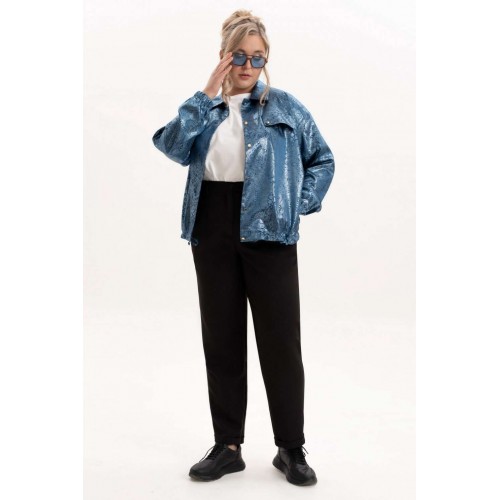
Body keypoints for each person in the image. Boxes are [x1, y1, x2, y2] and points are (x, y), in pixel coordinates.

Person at [152, 9, 335, 486]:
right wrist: (205, 93)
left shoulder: (285, 107)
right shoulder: (205, 110)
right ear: (223, 57)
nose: (248, 65)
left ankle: (290, 448)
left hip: (270, 231)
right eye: (239, 56)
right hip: (212, 226)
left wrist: (296, 204)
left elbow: (322, 159)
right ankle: (227, 446)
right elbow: (171, 146)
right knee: (222, 339)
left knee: (280, 342)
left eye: (257, 57)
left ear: (265, 60)